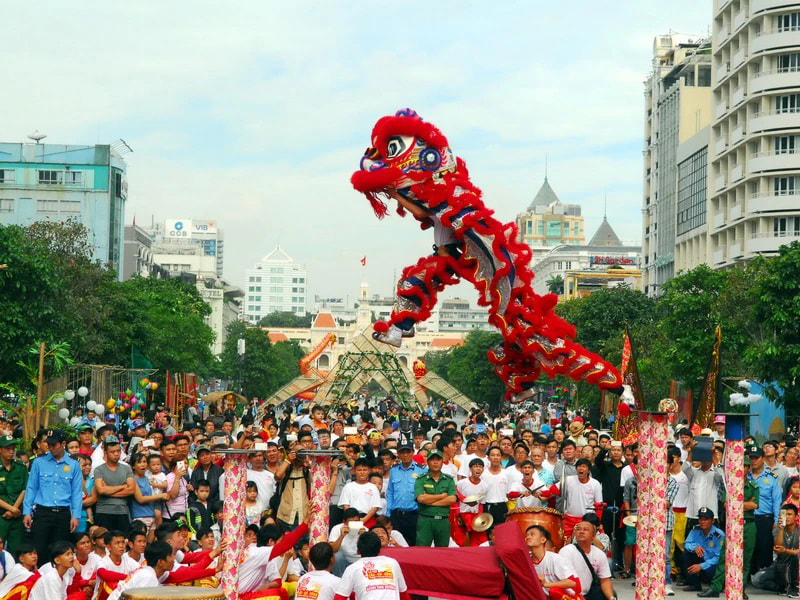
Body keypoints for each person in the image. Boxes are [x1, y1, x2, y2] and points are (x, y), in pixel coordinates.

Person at [699, 453, 759, 599]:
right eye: (740, 466)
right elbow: (727, 504)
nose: (742, 469)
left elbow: (755, 504)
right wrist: (744, 504)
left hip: (749, 524)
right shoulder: (729, 485)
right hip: (733, 525)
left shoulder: (753, 486)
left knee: (746, 558)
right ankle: (716, 587)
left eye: (745, 466)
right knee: (724, 556)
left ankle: (741, 587)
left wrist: (737, 503)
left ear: (748, 468)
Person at [22, 428, 82, 566]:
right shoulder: (38, 463)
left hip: (63, 513)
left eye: (54, 444)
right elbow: (31, 488)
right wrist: (27, 512)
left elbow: (76, 492)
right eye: (48, 444)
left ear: (63, 443)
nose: (50, 448)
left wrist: (75, 515)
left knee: (60, 552)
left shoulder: (73, 465)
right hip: (43, 512)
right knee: (40, 550)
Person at [333, 531, 407, 600]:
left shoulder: (352, 568)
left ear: (358, 551)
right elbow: (404, 595)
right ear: (379, 549)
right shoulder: (393, 563)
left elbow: (340, 597)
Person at [559, 516, 615, 600]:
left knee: (611, 595)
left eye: (585, 530)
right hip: (570, 594)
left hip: (589, 592)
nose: (581, 532)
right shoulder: (566, 551)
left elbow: (605, 580)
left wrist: (611, 597)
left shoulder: (599, 554)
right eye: (578, 529)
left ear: (593, 535)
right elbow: (563, 579)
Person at [747, 446, 783, 574]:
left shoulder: (772, 477)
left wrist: (776, 520)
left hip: (765, 518)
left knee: (765, 548)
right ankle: (748, 576)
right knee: (749, 547)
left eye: (756, 458)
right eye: (751, 458)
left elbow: (777, 500)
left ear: (762, 459)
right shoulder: (745, 476)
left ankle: (764, 576)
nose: (753, 461)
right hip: (748, 517)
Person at [385, 443, 426, 546]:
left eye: (408, 452)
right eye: (402, 452)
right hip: (397, 515)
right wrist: (389, 512)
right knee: (396, 543)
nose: (405, 455)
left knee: (414, 544)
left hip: (414, 514)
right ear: (398, 454)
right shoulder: (394, 470)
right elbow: (390, 492)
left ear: (412, 453)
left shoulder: (422, 470)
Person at [107, 540, 176, 600]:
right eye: (170, 555)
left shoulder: (147, 571)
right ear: (160, 562)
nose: (174, 559)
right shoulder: (149, 577)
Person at [414, 450, 457, 547]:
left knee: (442, 552)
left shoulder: (449, 479)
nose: (435, 462)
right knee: (422, 551)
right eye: (432, 459)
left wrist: (429, 501)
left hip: (443, 521)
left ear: (442, 461)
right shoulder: (421, 479)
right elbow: (421, 498)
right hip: (426, 520)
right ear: (427, 462)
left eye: (438, 459)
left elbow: (452, 499)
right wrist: (442, 496)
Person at [526, 524, 580, 600]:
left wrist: (546, 584)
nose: (528, 537)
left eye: (532, 534)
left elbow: (573, 583)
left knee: (554, 591)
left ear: (543, 540)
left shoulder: (555, 558)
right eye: (527, 535)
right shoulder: (526, 561)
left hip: (564, 597)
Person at [93, 435, 135, 532]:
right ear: (106, 452)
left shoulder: (126, 468)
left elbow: (131, 490)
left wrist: (108, 490)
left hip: (122, 511)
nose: (116, 454)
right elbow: (101, 490)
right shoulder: (99, 470)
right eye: (112, 452)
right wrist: (122, 486)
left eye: (118, 451)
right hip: (103, 511)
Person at [682, 506, 725, 593]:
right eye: (700, 519)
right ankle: (694, 584)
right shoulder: (695, 529)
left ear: (712, 521)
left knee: (714, 569)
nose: (702, 522)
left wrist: (701, 566)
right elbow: (686, 543)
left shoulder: (719, 535)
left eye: (706, 519)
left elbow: (719, 557)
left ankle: (717, 585)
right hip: (702, 559)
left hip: (712, 564)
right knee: (686, 555)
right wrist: (694, 548)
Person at [0, 435, 28, 555]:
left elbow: (24, 489)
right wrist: (11, 508)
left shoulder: (20, 467)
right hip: (1, 515)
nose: (11, 452)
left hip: (17, 516)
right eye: (8, 448)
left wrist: (14, 509)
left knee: (16, 552)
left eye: (13, 448)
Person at [773, 503, 799, 597]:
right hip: (782, 564)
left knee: (796, 556)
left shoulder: (798, 530)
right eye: (784, 515)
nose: (787, 517)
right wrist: (781, 529)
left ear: (796, 516)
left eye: (790, 514)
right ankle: (784, 585)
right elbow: (777, 547)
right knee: (759, 579)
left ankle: (795, 587)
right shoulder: (777, 529)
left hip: (797, 564)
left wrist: (786, 550)